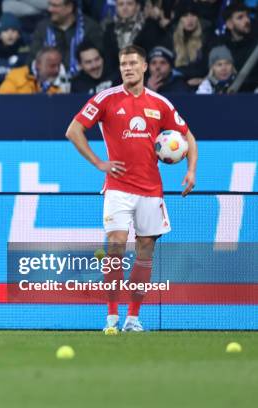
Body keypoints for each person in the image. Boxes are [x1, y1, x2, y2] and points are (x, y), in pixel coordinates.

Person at [65, 44, 198, 332]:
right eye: (123, 63)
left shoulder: (159, 103)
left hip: (151, 190)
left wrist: (190, 171)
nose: (127, 68)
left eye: (133, 63)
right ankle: (111, 317)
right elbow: (73, 130)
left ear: (144, 67)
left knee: (145, 250)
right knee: (115, 246)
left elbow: (187, 136)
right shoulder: (106, 99)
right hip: (118, 188)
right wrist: (99, 162)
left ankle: (132, 319)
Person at [30, 0, 103, 76]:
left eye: (55, 6)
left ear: (69, 7)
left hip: (84, 81)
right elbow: (32, 59)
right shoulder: (42, 28)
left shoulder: (90, 27)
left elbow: (100, 58)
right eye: (50, 5)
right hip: (50, 82)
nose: (50, 9)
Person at [101, 0, 166, 74]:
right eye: (121, 4)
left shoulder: (150, 26)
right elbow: (109, 60)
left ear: (137, 7)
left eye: (129, 4)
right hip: (118, 77)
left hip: (145, 75)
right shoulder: (110, 29)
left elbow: (152, 56)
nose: (125, 8)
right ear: (116, 7)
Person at [218, 2, 258, 92]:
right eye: (240, 17)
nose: (247, 20)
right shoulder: (221, 46)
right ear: (229, 24)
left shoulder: (255, 43)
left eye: (247, 16)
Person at [0, 12, 30, 89]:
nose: (10, 34)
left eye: (14, 30)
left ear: (19, 35)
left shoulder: (25, 52)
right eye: (5, 30)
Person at [0, 46, 68, 94]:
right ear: (38, 64)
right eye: (52, 66)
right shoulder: (16, 76)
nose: (57, 70)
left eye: (58, 65)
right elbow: (3, 101)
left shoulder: (62, 82)